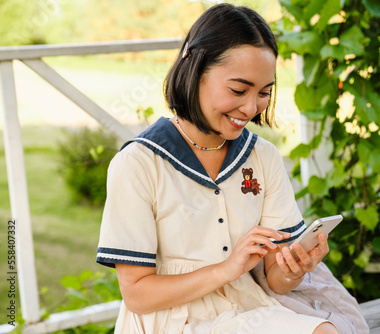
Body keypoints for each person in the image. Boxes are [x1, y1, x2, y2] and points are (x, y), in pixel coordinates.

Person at [96, 3, 341, 333]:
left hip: (248, 311)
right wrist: (226, 269)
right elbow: (137, 294)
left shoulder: (263, 157)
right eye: (239, 90)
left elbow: (276, 280)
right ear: (196, 72)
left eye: (264, 93)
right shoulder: (138, 164)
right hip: (169, 320)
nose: (251, 108)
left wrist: (294, 269)